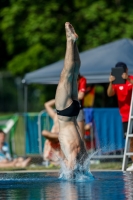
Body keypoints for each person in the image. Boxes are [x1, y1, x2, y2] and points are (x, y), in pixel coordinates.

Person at [55, 22, 87, 171]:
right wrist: (69, 167)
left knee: (73, 74)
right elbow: (71, 163)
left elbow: (84, 167)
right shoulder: (74, 154)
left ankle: (73, 42)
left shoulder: (83, 154)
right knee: (66, 75)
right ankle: (70, 40)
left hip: (73, 112)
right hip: (65, 115)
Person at [107, 62, 133, 171]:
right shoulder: (116, 83)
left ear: (126, 70)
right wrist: (110, 82)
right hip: (125, 117)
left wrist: (128, 79)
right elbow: (110, 94)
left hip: (132, 114)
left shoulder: (131, 78)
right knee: (130, 140)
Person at [42, 99, 61, 166]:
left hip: (62, 136)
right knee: (44, 132)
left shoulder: (70, 115)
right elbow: (47, 104)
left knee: (45, 133)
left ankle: (56, 162)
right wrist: (60, 98)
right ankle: (54, 162)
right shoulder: (56, 116)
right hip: (55, 136)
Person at [77, 74, 87, 138]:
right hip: (67, 109)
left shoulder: (82, 79)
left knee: (80, 137)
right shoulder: (66, 79)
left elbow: (81, 96)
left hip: (78, 109)